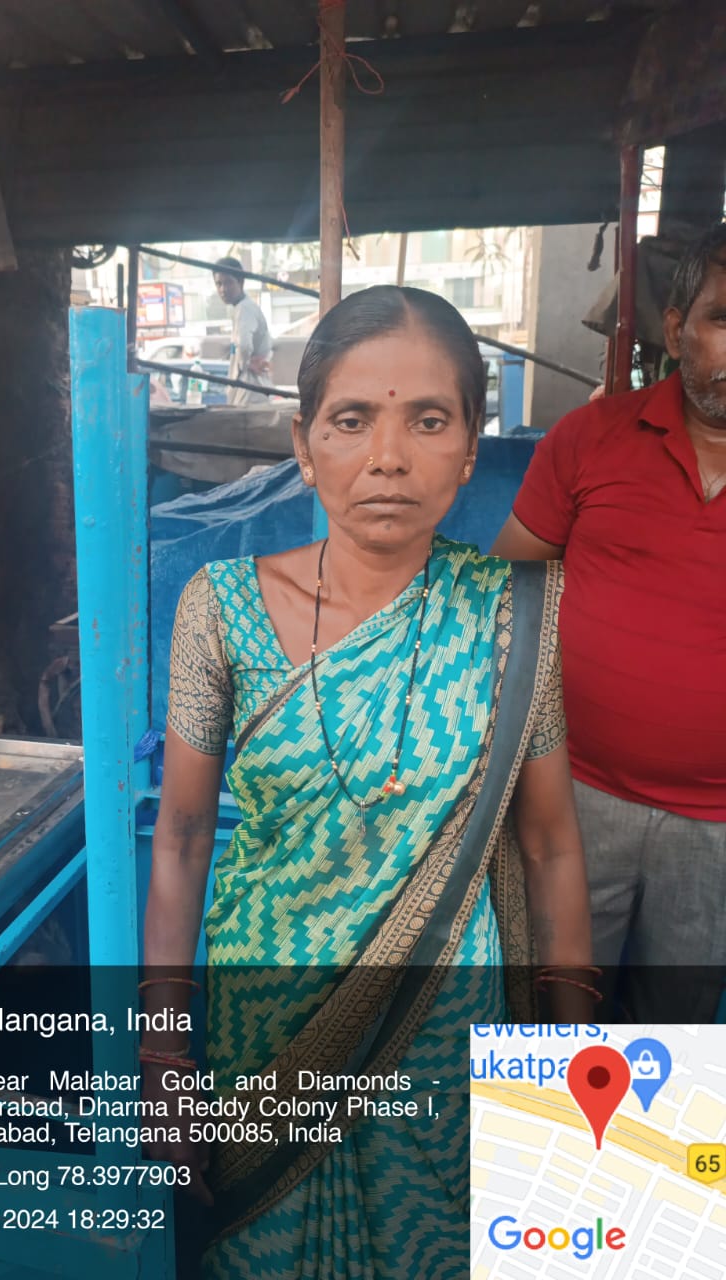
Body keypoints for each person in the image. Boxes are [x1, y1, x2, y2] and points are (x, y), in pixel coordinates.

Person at [142, 286, 594, 1278]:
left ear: (470, 448)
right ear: (304, 445)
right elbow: (179, 837)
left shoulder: (515, 615)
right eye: (352, 420)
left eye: (429, 420)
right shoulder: (217, 606)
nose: (389, 455)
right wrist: (164, 1058)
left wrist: (571, 1063)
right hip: (263, 1029)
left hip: (443, 1036)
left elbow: (552, 845)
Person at [491, 222, 726, 1022]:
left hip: (718, 829)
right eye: (725, 319)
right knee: (546, 1015)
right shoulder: (591, 438)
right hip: (573, 797)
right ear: (676, 329)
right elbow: (506, 589)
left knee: (674, 1035)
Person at [212, 256, 273, 406]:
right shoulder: (243, 307)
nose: (223, 289)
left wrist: (246, 364)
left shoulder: (244, 308)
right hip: (250, 388)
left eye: (228, 282)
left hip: (250, 389)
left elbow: (244, 345)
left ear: (241, 282)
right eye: (219, 284)